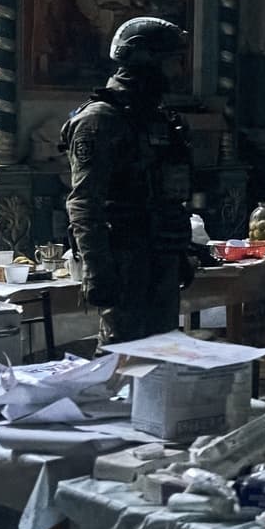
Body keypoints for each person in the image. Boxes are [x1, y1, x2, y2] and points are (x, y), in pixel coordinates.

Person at [61, 17, 197, 344]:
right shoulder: (100, 121)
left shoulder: (158, 118)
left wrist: (179, 253)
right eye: (172, 61)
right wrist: (96, 268)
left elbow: (167, 194)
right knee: (121, 355)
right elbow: (84, 203)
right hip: (123, 258)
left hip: (160, 253)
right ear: (145, 61)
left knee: (162, 352)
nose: (178, 70)